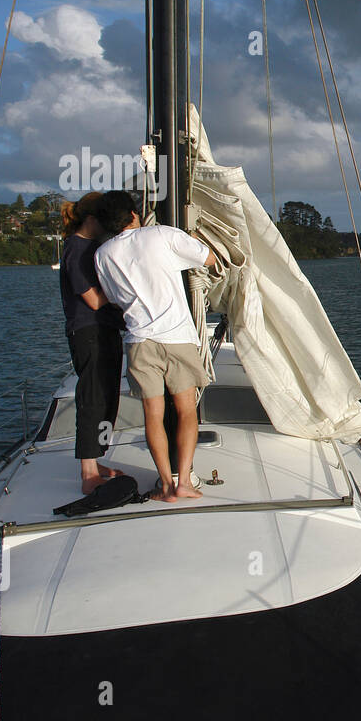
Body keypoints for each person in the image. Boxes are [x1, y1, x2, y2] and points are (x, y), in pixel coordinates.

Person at [94, 190, 217, 502]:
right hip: (177, 337)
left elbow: (109, 297)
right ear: (135, 214)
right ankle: (185, 481)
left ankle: (165, 485)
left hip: (139, 340)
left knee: (153, 415)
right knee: (187, 411)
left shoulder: (103, 254)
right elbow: (209, 259)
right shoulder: (162, 235)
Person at [58, 192, 126, 494]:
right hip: (88, 332)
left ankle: (96, 459)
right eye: (104, 220)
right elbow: (93, 299)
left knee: (108, 399)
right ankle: (88, 472)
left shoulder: (94, 247)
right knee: (93, 398)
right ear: (91, 219)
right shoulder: (77, 248)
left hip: (105, 331)